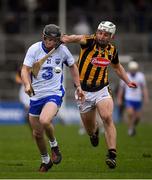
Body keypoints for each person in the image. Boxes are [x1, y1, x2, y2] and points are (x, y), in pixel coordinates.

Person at [61, 21, 137, 169]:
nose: (102, 36)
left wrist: (128, 81)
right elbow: (75, 38)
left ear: (111, 37)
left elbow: (117, 66)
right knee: (90, 128)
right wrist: (66, 38)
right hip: (83, 91)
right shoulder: (88, 41)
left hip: (102, 89)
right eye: (100, 33)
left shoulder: (112, 50)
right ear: (97, 32)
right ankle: (94, 133)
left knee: (107, 117)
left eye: (106, 34)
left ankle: (112, 154)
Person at [21, 24, 84, 172]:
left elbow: (73, 66)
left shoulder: (62, 50)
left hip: (54, 93)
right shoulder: (34, 49)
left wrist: (78, 86)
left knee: (44, 120)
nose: (51, 43)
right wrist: (27, 84)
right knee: (36, 134)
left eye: (54, 40)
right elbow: (25, 70)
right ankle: (46, 160)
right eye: (48, 39)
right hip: (36, 96)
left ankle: (54, 145)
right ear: (43, 38)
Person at [117, 60, 149, 136]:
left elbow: (144, 88)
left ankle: (133, 126)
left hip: (138, 99)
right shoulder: (126, 75)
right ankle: (130, 128)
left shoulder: (141, 76)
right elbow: (121, 89)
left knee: (137, 117)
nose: (133, 71)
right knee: (130, 114)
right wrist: (119, 98)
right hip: (129, 98)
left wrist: (146, 97)